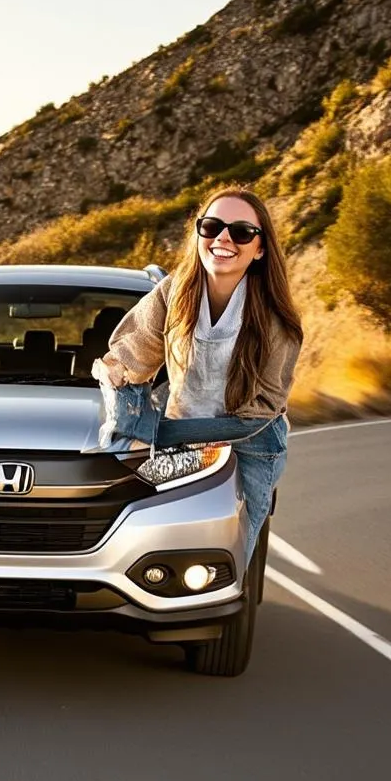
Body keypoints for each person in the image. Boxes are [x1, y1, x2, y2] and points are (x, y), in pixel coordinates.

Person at [93, 186, 304, 564]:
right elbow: (133, 350)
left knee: (232, 558)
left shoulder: (276, 320)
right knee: (150, 538)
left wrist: (157, 434)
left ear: (259, 249)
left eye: (241, 232)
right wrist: (115, 374)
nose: (223, 238)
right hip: (179, 435)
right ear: (198, 235)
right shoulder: (174, 292)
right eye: (212, 226)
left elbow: (261, 410)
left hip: (251, 445)